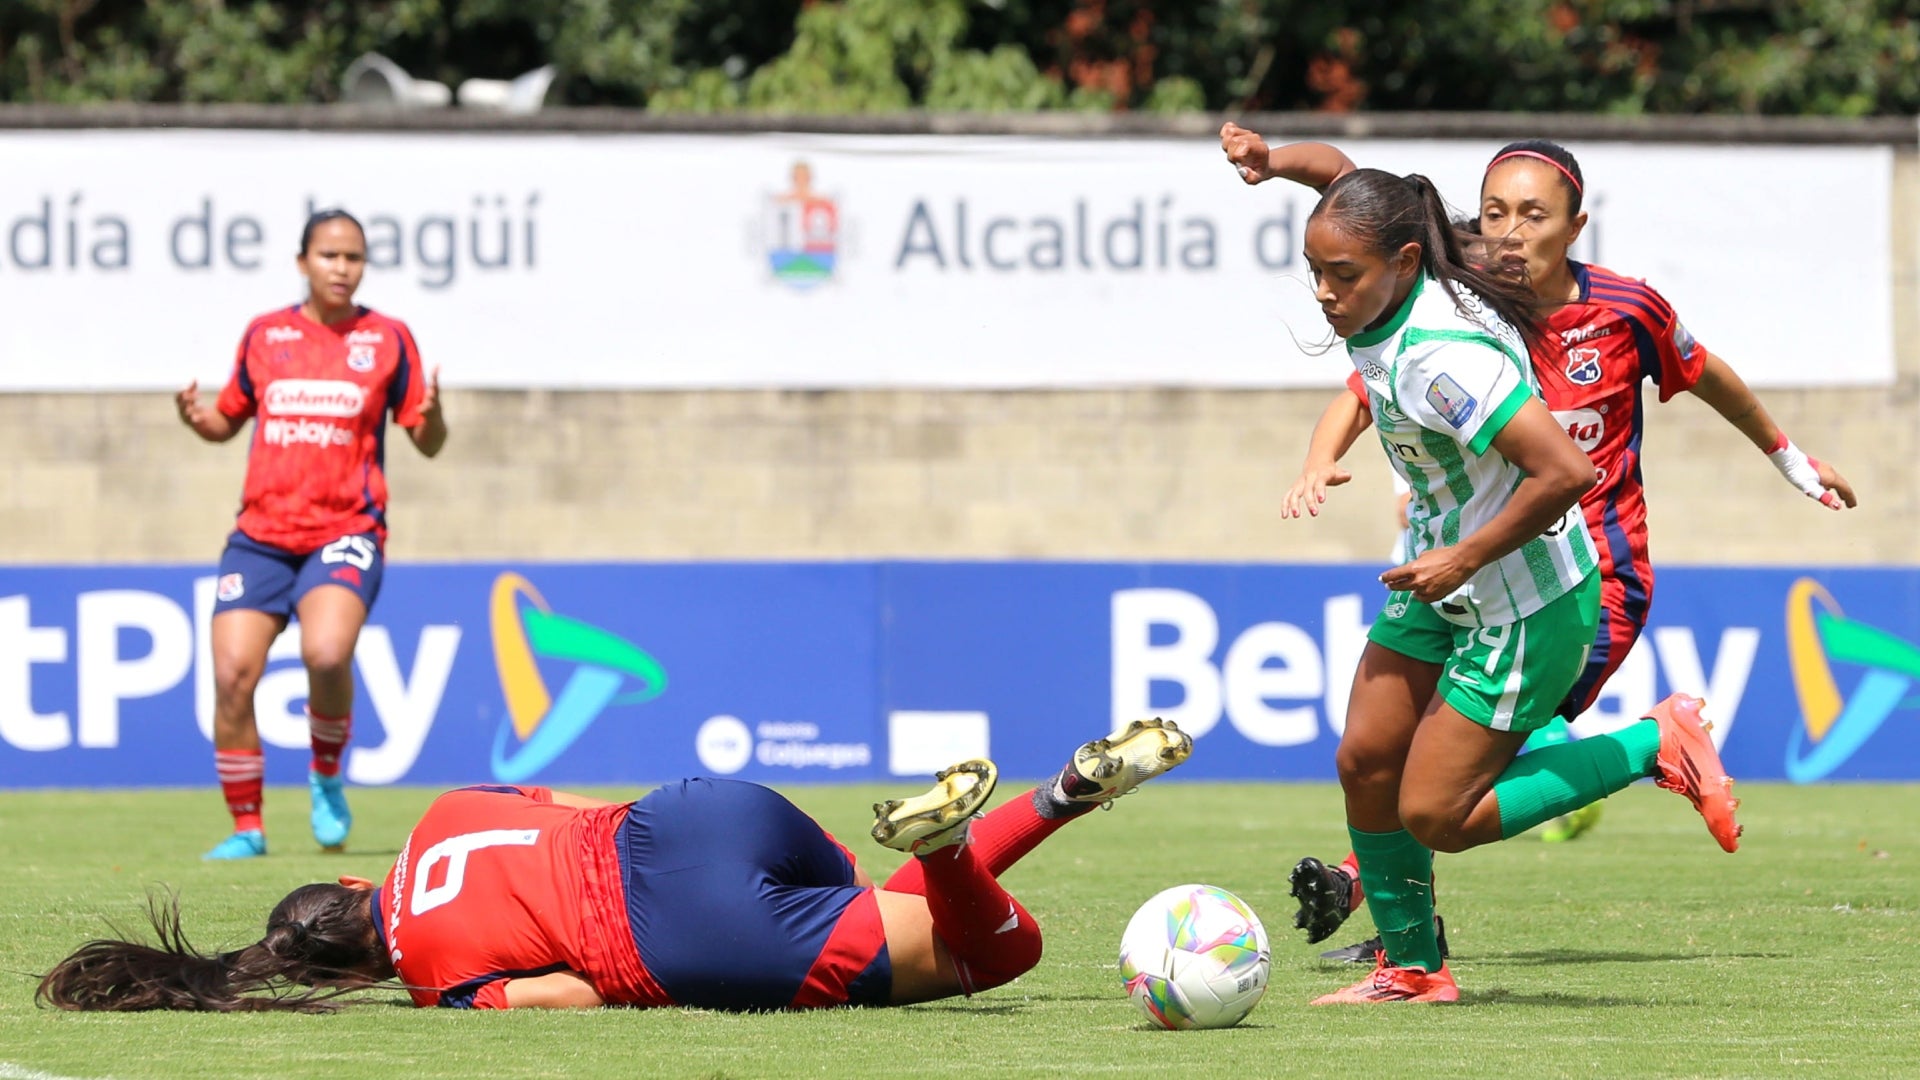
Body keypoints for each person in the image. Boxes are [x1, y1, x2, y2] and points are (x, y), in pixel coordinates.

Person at [1222, 124, 1855, 963]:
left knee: (1449, 786)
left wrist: (1789, 458)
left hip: (1583, 573)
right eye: (1494, 212)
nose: (1510, 232)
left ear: (1575, 225)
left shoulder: (1609, 314)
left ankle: (1641, 752)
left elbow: (1688, 389)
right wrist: (1275, 163)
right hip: (1464, 566)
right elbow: (1349, 185)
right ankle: (1408, 952)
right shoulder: (1457, 276)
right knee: (1381, 758)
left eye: (1532, 215)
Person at [37, 719, 1193, 1012]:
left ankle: (943, 844)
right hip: (696, 815)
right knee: (880, 903)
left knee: (998, 957)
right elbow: (578, 808)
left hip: (682, 928)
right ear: (349, 886)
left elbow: (577, 996)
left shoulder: (437, 981)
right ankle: (1062, 791)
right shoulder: (440, 813)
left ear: (351, 968)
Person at [174, 209, 446, 861]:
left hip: (346, 529)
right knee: (233, 674)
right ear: (303, 262)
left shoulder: (387, 339)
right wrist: (198, 420)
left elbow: (427, 440)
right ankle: (247, 827)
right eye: (329, 255)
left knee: (325, 654)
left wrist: (437, 417)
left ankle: (325, 775)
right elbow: (227, 419)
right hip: (261, 536)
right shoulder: (266, 335)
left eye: (354, 257)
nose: (341, 268)